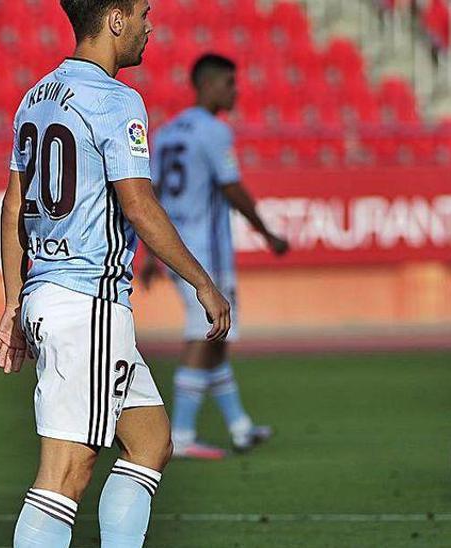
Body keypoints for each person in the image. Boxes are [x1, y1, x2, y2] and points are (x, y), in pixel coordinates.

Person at [0, 1, 230, 546]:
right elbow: (140, 206)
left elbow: (12, 207)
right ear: (115, 20)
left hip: (49, 294)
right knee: (65, 475)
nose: (152, 25)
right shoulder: (117, 101)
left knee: (150, 441)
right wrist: (201, 282)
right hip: (89, 302)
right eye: (144, 12)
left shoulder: (36, 97)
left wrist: (13, 301)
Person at [143, 53, 289, 459]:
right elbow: (232, 188)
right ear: (206, 85)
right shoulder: (213, 131)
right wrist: (267, 233)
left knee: (217, 337)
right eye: (228, 83)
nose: (235, 91)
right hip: (205, 254)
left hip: (174, 247)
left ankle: (240, 427)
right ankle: (183, 436)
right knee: (203, 335)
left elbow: (151, 194)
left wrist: (153, 256)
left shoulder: (168, 132)